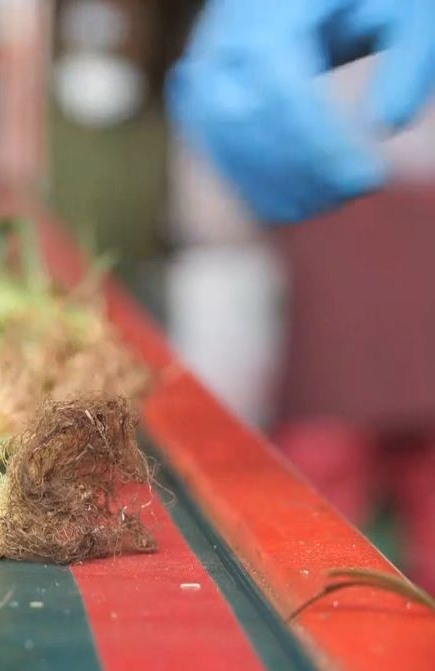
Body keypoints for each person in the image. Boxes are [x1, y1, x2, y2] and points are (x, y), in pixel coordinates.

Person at [169, 0, 435, 589]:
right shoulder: (262, 61)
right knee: (306, 559)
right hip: (330, 374)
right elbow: (215, 237)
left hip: (346, 371)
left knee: (306, 562)